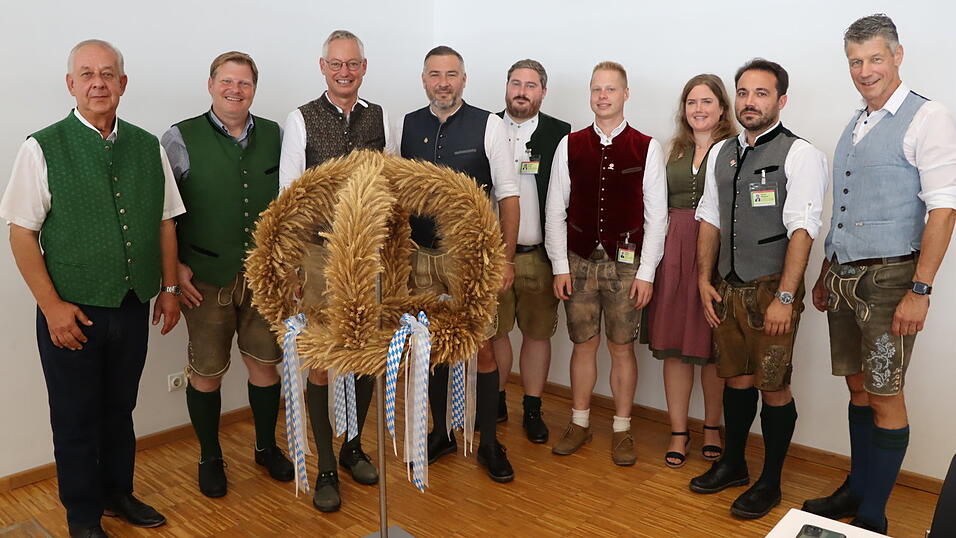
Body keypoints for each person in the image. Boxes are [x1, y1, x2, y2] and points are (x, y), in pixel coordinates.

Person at [1, 39, 184, 538]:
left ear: (123, 84)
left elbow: (166, 222)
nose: (98, 82)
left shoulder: (147, 146)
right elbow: (21, 231)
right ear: (71, 84)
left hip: (130, 305)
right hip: (71, 310)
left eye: (108, 73)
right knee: (76, 416)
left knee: (119, 409)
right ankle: (82, 516)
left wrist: (168, 289)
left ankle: (116, 494)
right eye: (86, 74)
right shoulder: (42, 146)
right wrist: (52, 306)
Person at [801, 14, 956, 534]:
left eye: (874, 58)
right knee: (858, 388)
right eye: (855, 61)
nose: (865, 70)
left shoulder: (927, 116)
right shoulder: (857, 121)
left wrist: (921, 289)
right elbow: (845, 205)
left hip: (892, 281)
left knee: (886, 392)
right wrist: (825, 272)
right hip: (845, 276)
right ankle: (857, 487)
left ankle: (873, 514)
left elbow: (944, 210)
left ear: (897, 56)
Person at [689, 59, 829, 520]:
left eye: (761, 93)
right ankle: (733, 464)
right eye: (744, 93)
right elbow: (709, 215)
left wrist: (786, 298)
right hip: (727, 287)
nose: (750, 102)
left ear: (781, 100)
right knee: (734, 377)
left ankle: (770, 481)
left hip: (772, 288)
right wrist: (703, 279)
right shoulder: (722, 151)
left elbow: (804, 228)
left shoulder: (800, 154)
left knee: (774, 386)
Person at [160, 51, 293, 500]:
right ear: (211, 84)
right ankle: (210, 455)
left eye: (245, 83)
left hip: (261, 277)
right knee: (207, 373)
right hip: (206, 279)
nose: (235, 90)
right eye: (227, 82)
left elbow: (292, 205)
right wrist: (173, 270)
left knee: (265, 366)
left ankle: (265, 446)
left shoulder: (276, 134)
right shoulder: (180, 137)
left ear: (254, 88)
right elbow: (162, 213)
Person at [278, 29, 395, 513]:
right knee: (323, 362)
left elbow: (387, 180)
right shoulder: (300, 119)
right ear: (322, 67)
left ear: (363, 68)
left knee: (365, 351)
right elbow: (289, 195)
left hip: (366, 254)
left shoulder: (377, 115)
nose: (344, 72)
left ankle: (353, 448)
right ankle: (326, 463)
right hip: (318, 257)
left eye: (353, 64)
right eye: (336, 64)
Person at [400, 45, 520, 482]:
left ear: (464, 80)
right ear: (424, 79)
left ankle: (489, 441)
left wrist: (503, 260)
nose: (443, 83)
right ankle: (442, 434)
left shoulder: (489, 125)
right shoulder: (407, 125)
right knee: (432, 350)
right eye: (435, 74)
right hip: (421, 259)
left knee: (482, 348)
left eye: (452, 75)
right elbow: (397, 195)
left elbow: (508, 194)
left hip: (472, 258)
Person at [545, 61, 667, 466]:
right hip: (578, 262)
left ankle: (622, 428)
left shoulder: (646, 146)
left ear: (625, 94)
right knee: (584, 345)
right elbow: (554, 210)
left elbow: (657, 216)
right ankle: (579, 422)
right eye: (596, 89)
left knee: (621, 348)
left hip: (626, 267)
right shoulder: (570, 143)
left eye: (610, 89)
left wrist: (647, 273)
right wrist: (560, 264)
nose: (602, 96)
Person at [641, 74, 736, 468]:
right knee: (675, 348)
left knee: (713, 347)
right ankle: (678, 429)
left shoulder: (735, 149)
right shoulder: (670, 150)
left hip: (716, 252)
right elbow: (654, 207)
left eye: (707, 101)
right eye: (692, 102)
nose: (698, 109)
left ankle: (713, 426)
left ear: (721, 107)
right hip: (672, 251)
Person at [490, 59, 571, 443]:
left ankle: (533, 409)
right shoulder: (485, 126)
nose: (522, 91)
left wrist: (560, 262)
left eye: (531, 85)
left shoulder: (560, 134)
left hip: (540, 254)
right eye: (516, 83)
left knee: (537, 335)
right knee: (497, 332)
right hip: (493, 255)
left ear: (543, 91)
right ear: (506, 86)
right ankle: (498, 400)